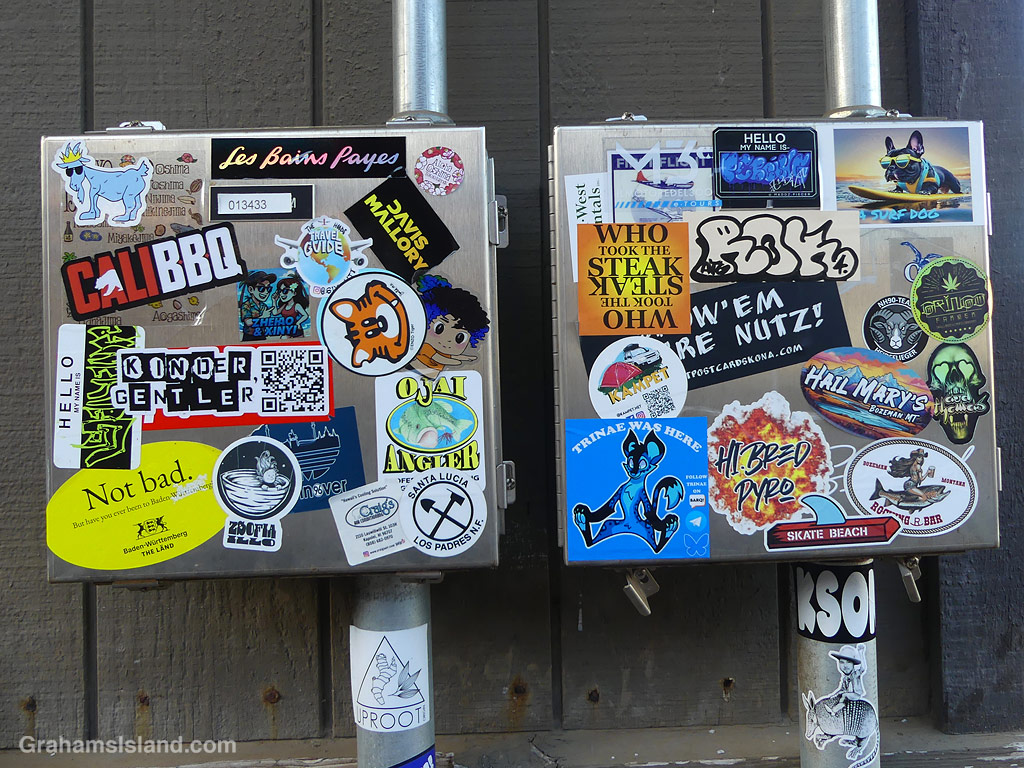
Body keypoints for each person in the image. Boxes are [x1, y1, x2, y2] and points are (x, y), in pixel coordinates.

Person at [409, 274, 490, 379]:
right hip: (418, 369)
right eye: (439, 329)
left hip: (432, 376)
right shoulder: (425, 346)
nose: (447, 341)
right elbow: (440, 359)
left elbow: (449, 356)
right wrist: (455, 361)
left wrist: (466, 357)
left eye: (460, 338)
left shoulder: (442, 350)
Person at [239, 271, 276, 341]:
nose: (266, 292)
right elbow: (248, 322)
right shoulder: (246, 305)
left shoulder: (264, 306)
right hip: (249, 337)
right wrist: (262, 317)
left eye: (268, 289)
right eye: (261, 288)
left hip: (261, 335)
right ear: (251, 289)